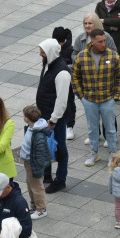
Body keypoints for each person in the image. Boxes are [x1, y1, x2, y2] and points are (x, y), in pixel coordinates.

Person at [72, 27, 120, 165]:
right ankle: (94, 153)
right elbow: (75, 77)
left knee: (110, 128)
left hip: (107, 100)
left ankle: (113, 153)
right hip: (89, 100)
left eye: (104, 41)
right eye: (100, 41)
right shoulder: (81, 57)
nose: (104, 44)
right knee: (92, 128)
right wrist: (81, 97)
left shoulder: (113, 56)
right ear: (92, 42)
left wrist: (115, 96)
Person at [36, 38, 71, 193]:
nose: (40, 54)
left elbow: (62, 100)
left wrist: (54, 119)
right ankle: (47, 174)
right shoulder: (48, 64)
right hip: (45, 115)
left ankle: (60, 179)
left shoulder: (62, 72)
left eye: (43, 51)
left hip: (55, 118)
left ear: (50, 52)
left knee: (60, 147)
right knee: (46, 145)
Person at [19, 105, 50, 220]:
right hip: (29, 162)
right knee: (30, 184)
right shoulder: (32, 128)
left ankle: (41, 209)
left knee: (37, 186)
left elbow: (40, 153)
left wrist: (37, 166)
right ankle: (34, 206)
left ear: (27, 118)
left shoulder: (38, 134)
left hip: (33, 163)